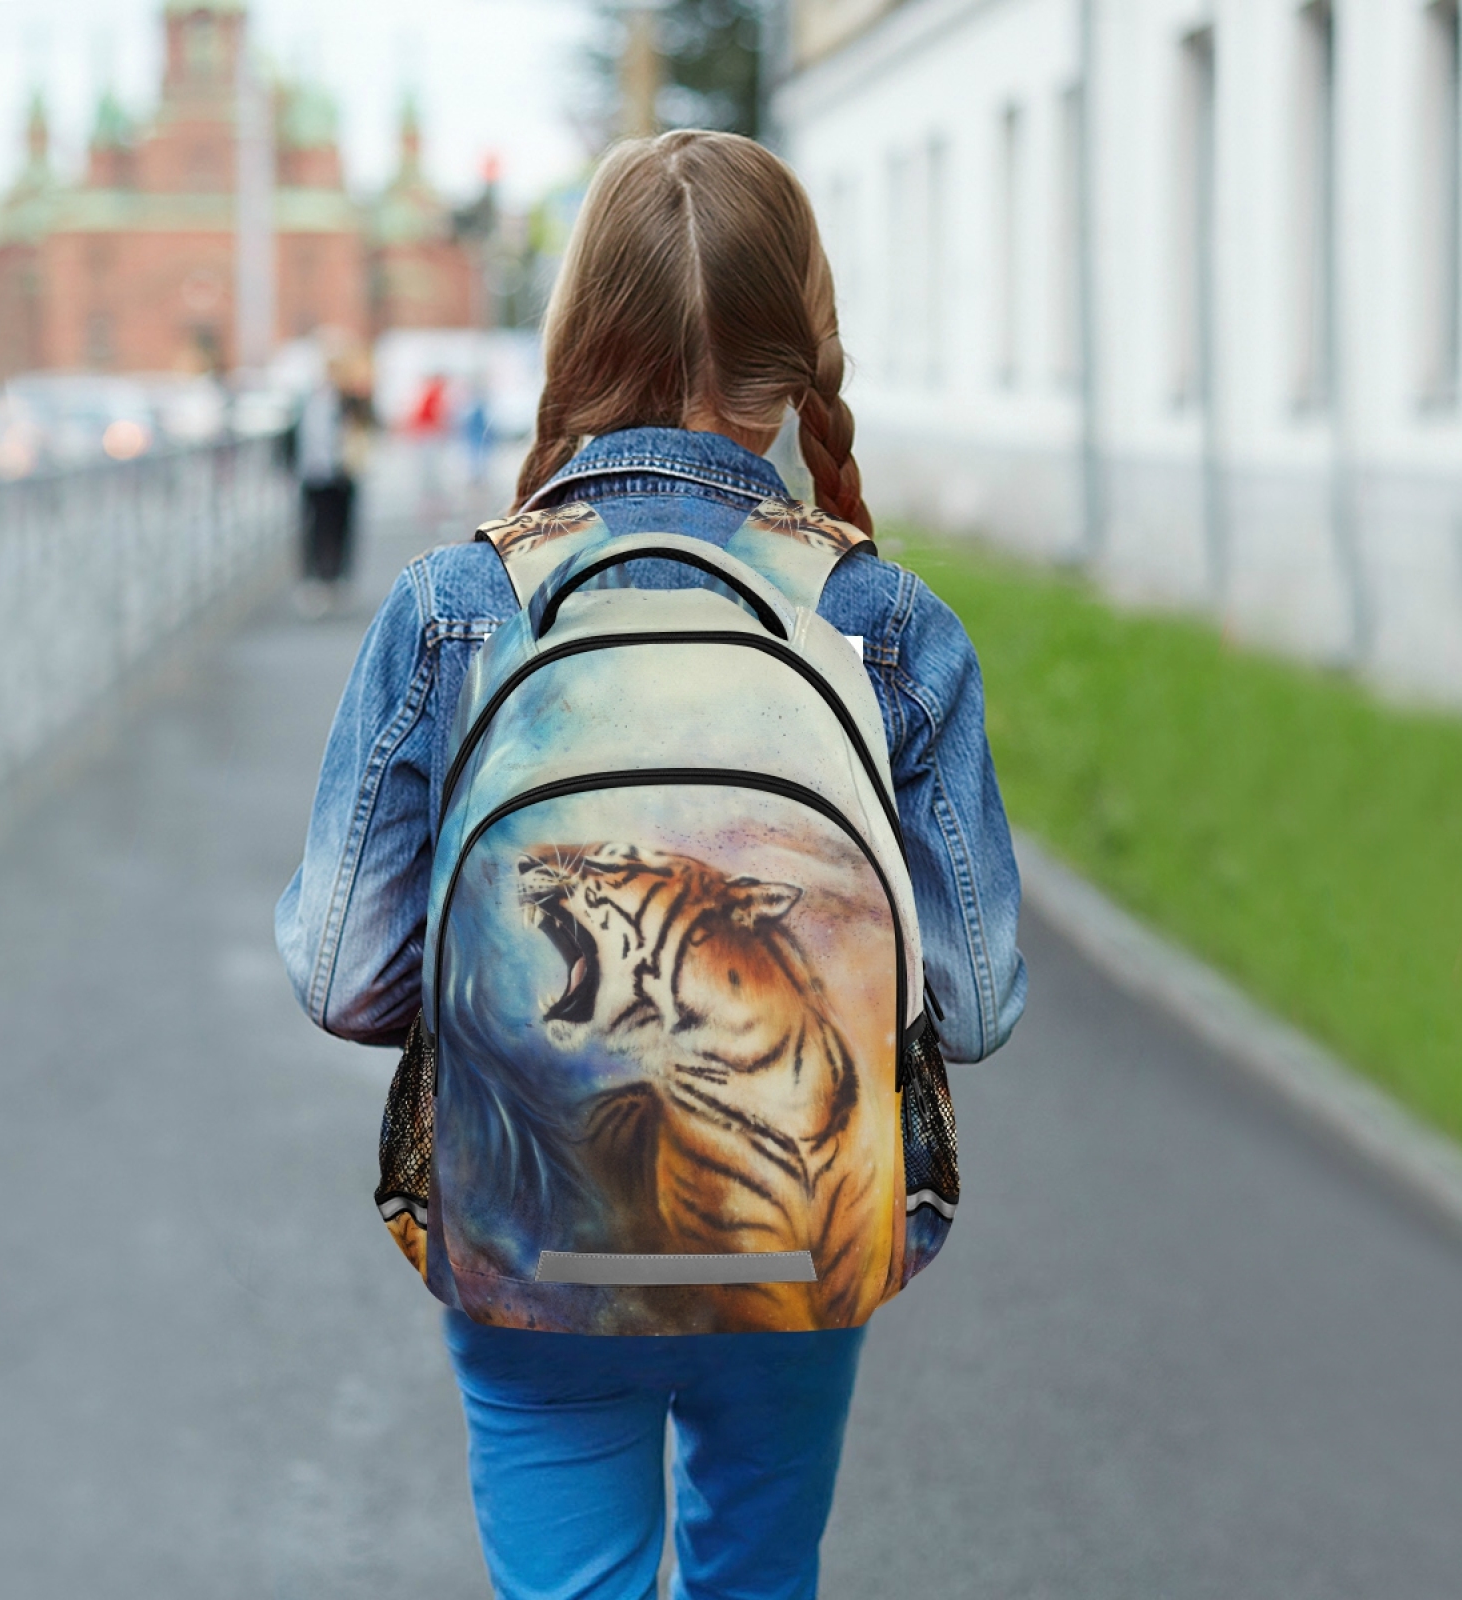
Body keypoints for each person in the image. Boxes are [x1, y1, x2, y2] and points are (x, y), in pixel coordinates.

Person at [276, 130, 1026, 1600]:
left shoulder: (457, 606)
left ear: (578, 328)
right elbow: (978, 1005)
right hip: (796, 1230)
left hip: (530, 1220)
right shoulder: (887, 623)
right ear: (799, 351)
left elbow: (341, 976)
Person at [293, 342, 373, 615]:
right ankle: (317, 580)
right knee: (315, 528)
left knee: (340, 527)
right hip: (315, 473)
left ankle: (336, 578)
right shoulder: (311, 397)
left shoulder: (350, 399)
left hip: (341, 474)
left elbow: (366, 426)